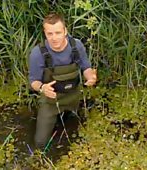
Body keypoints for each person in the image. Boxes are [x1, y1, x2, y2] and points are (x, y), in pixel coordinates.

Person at [29, 13, 97, 149]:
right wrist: (42, 88)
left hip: (74, 97)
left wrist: (91, 77)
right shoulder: (38, 53)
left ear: (65, 31)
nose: (54, 38)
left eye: (58, 32)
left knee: (76, 134)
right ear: (45, 33)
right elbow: (33, 81)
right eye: (50, 34)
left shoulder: (76, 46)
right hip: (51, 101)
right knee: (40, 143)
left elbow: (86, 67)